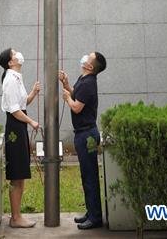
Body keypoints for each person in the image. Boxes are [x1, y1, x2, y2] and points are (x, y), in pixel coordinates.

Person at [59, 51, 107, 230]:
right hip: (83, 133)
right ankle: (91, 212)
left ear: (90, 66)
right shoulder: (84, 79)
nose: (85, 57)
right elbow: (76, 95)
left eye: (88, 56)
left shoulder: (89, 83)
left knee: (90, 177)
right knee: (86, 175)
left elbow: (77, 107)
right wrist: (66, 84)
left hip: (87, 135)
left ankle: (95, 218)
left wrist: (67, 98)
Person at [0, 47, 41, 228]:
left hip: (19, 125)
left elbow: (22, 104)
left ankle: (17, 216)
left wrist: (33, 92)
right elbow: (15, 111)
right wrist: (31, 121)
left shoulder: (16, 78)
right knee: (16, 175)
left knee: (21, 174)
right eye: (14, 53)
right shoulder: (9, 80)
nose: (18, 54)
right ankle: (15, 218)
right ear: (10, 62)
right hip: (15, 128)